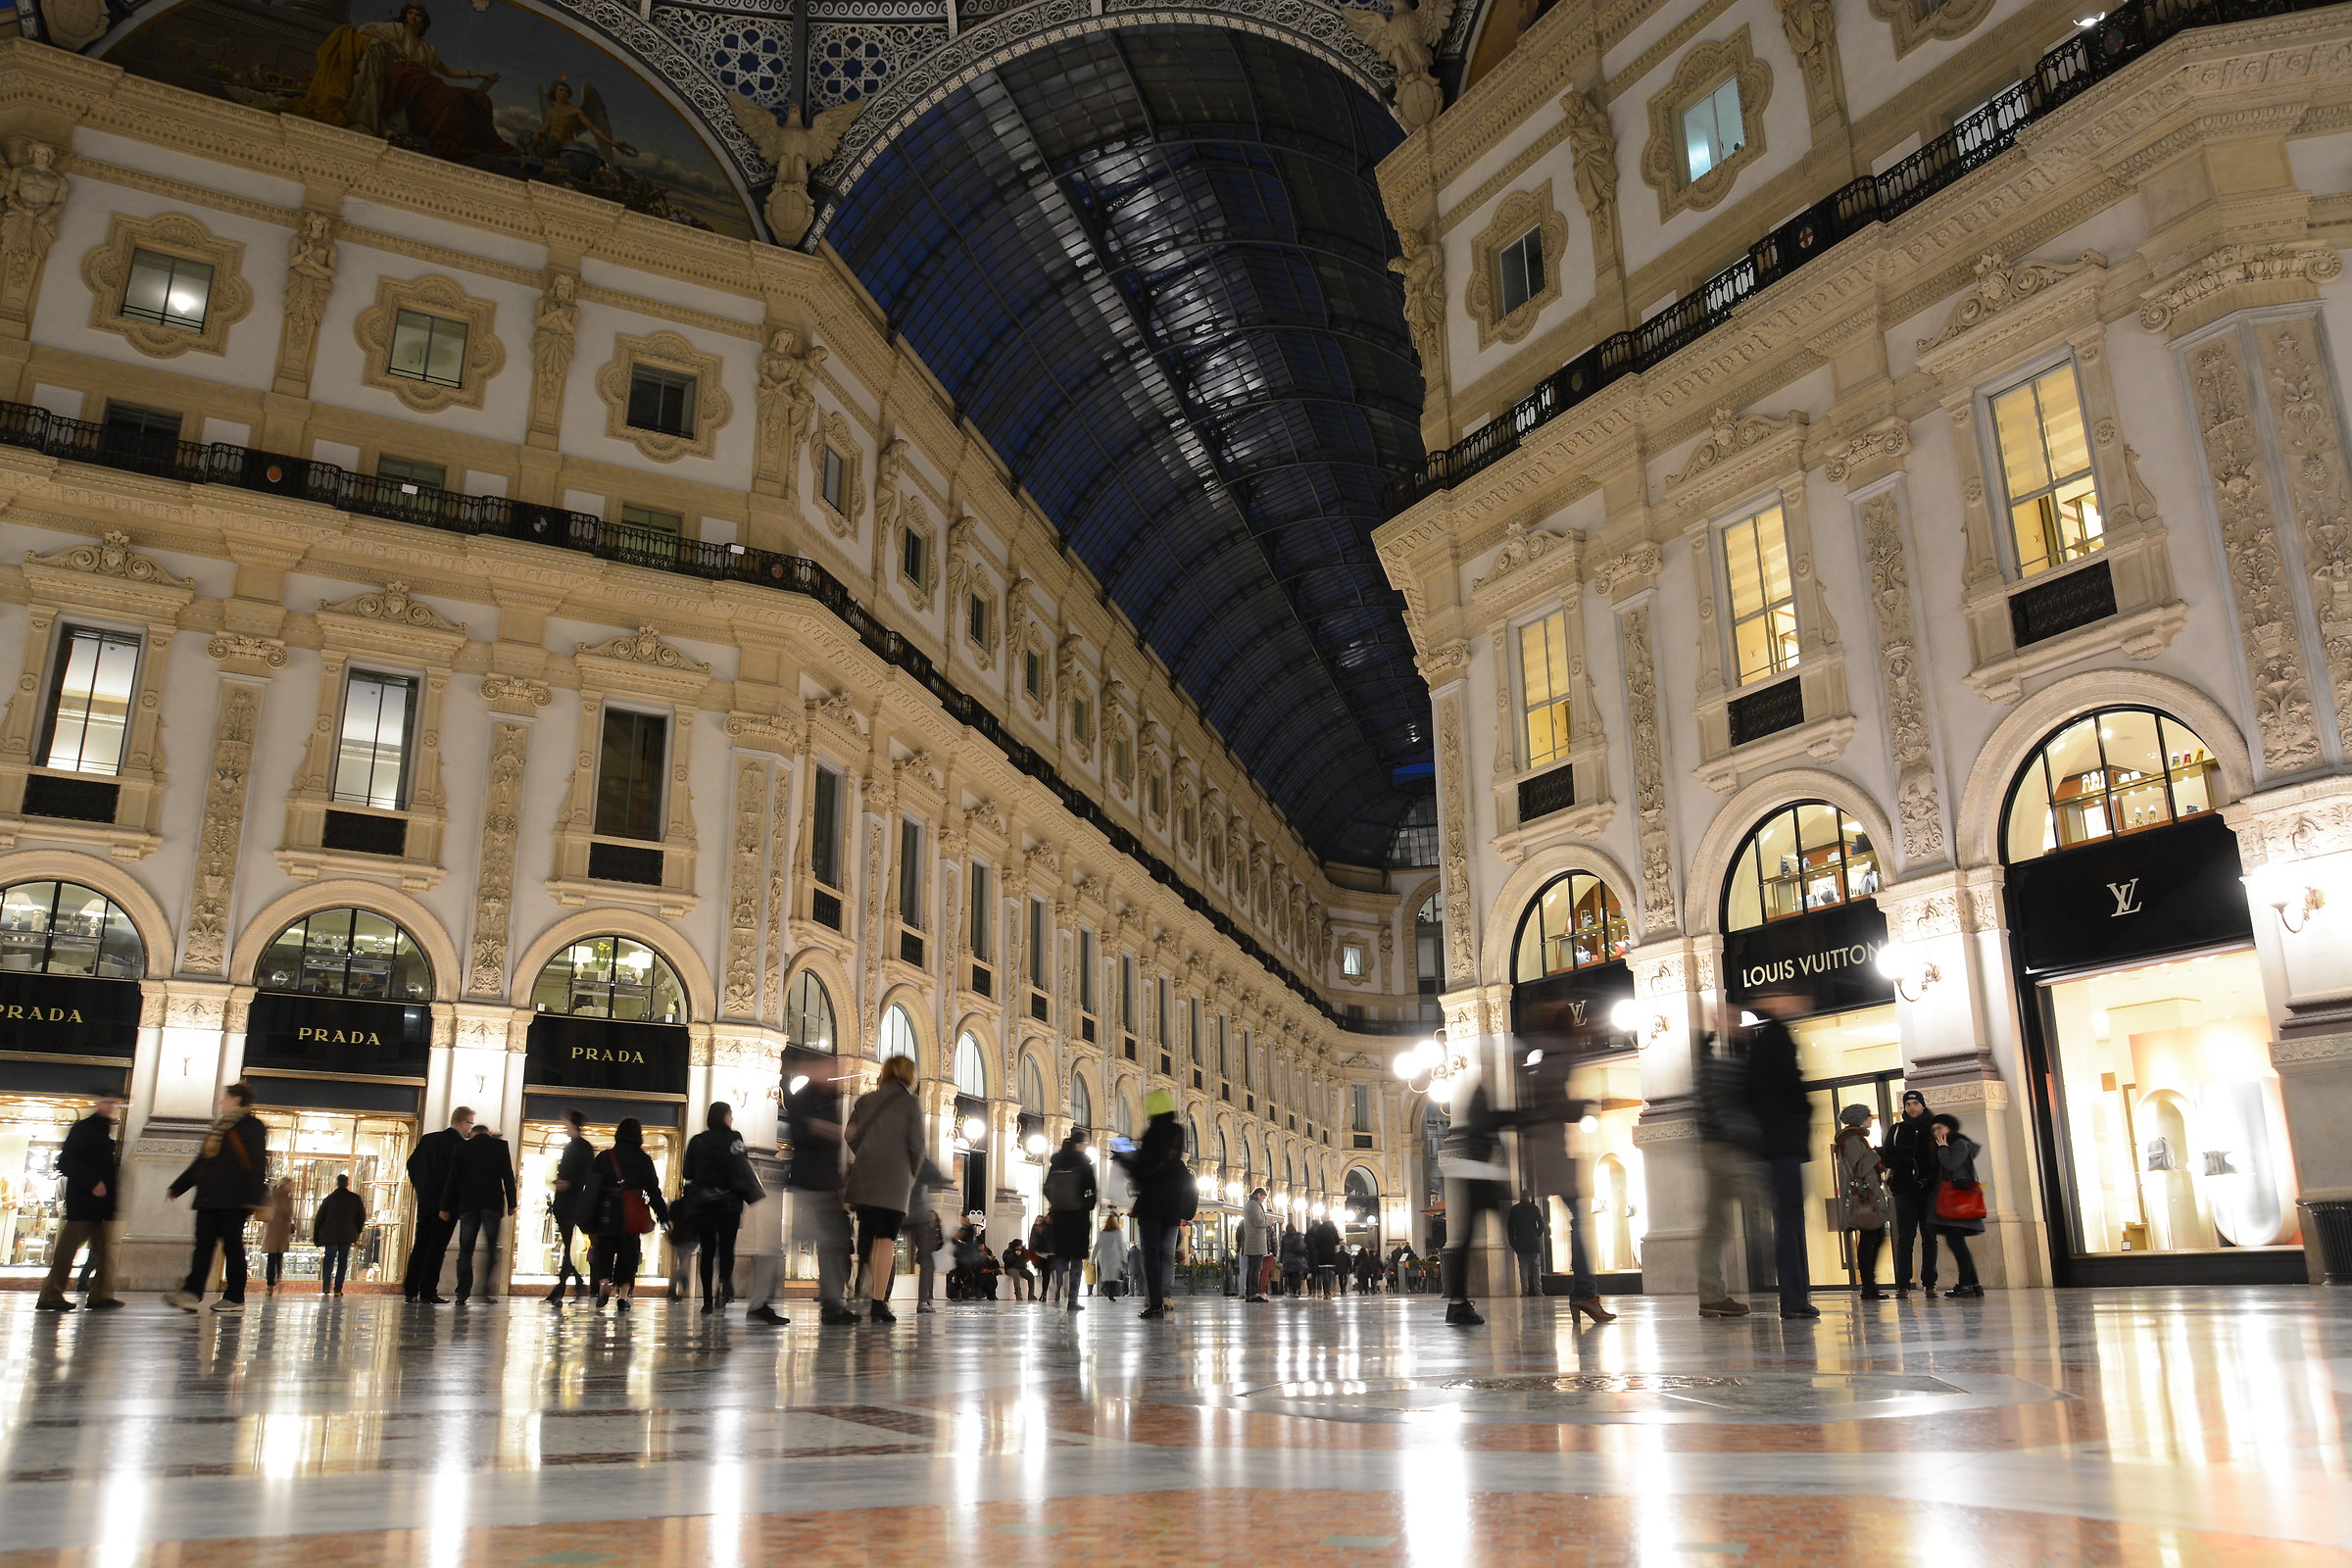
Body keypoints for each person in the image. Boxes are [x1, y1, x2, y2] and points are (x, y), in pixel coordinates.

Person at [163, 1083, 268, 1314]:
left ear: (238, 1100)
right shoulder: (220, 1127)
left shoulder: (253, 1126)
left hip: (235, 1199)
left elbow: (258, 1163)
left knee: (232, 1246)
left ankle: (234, 1296)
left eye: (225, 1098)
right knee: (203, 1246)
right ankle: (191, 1294)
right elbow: (202, 1162)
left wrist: (254, 1198)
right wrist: (178, 1187)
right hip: (208, 1198)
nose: (221, 1103)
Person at [1745, 990, 1818, 1320]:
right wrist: (1803, 1112)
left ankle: (1796, 1296)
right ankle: (1793, 1298)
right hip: (1782, 1143)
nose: (1798, 1002)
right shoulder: (1776, 1041)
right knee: (1789, 1220)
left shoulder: (1768, 1041)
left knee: (1788, 1219)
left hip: (1777, 1143)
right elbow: (1788, 1091)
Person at [843, 1054, 926, 1324]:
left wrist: (866, 1153)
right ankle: (878, 1301)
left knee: (868, 1233)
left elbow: (849, 1134)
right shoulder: (911, 1104)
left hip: (866, 1176)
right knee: (886, 1240)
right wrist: (911, 1171)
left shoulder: (866, 1100)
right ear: (909, 1076)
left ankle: (861, 1285)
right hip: (894, 1180)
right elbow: (917, 1145)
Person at [784, 1048, 858, 1326]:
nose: (835, 1074)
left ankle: (831, 1303)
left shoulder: (830, 1099)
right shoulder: (805, 1098)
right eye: (828, 1068)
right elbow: (804, 1133)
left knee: (832, 1244)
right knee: (824, 1243)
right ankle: (830, 1304)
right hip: (811, 1182)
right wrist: (826, 1130)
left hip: (827, 1183)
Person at [36, 1092, 122, 1312]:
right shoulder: (85, 1129)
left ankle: (100, 1295)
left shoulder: (102, 1131)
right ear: (99, 1103)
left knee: (104, 1253)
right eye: (108, 1102)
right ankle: (50, 1294)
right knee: (68, 1249)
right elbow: (65, 1161)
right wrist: (93, 1182)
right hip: (85, 1203)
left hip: (98, 1205)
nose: (112, 1107)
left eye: (114, 1103)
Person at [1437, 1074, 1510, 1326]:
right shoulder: (1483, 1109)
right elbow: (1502, 1119)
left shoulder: (1477, 1108)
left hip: (1476, 1177)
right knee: (1488, 1233)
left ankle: (1458, 1303)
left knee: (1467, 1241)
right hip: (1481, 1178)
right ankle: (1461, 1302)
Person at [1113, 1089, 1193, 1319]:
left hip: (1152, 1205)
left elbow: (1144, 1169)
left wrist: (1123, 1156)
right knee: (1166, 1254)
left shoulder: (1152, 1134)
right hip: (1172, 1208)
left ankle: (1155, 1302)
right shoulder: (1178, 1132)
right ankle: (1165, 1296)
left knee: (1151, 1253)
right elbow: (1167, 1165)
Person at [681, 1102, 756, 1314]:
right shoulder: (735, 1138)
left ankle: (706, 1301)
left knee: (707, 1251)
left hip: (703, 1205)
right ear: (724, 1116)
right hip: (729, 1204)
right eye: (730, 1114)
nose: (732, 1119)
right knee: (726, 1249)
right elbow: (744, 1165)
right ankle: (723, 1286)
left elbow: (688, 1173)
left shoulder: (697, 1141)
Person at [587, 1117, 668, 1310]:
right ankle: (623, 1296)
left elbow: (591, 1188)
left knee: (604, 1250)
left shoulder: (605, 1157)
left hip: (607, 1212)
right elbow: (653, 1191)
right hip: (632, 1212)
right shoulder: (643, 1159)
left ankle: (604, 1283)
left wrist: (590, 1216)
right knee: (628, 1254)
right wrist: (664, 1217)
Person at [441, 1120, 516, 1303]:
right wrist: (512, 1203)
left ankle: (462, 1293)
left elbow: (452, 1179)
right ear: (489, 1133)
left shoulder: (461, 1148)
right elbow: (508, 1175)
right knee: (491, 1249)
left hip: (468, 1206)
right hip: (492, 1205)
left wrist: (444, 1206)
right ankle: (485, 1291)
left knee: (465, 1252)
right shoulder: (500, 1146)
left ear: (472, 1134)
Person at [404, 1105, 473, 1303]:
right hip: (446, 1205)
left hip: (425, 1202)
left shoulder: (428, 1139)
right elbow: (458, 1178)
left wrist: (421, 1188)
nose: (470, 1129)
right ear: (463, 1123)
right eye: (470, 1124)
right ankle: (427, 1290)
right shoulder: (459, 1145)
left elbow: (411, 1164)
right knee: (437, 1247)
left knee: (421, 1243)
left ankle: (410, 1288)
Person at [1885, 1089, 1941, 1296]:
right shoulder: (1897, 1129)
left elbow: (1941, 1156)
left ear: (1922, 1105)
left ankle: (1929, 1283)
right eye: (1908, 1105)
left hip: (1928, 1189)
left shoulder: (1934, 1127)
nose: (1912, 1108)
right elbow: (1888, 1156)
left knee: (1929, 1236)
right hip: (1904, 1188)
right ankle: (1903, 1284)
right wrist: (1905, 1161)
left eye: (1915, 1104)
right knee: (1905, 1236)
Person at [1835, 1105, 1890, 1299]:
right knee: (1870, 1240)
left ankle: (1869, 1284)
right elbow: (1858, 1168)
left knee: (1876, 1238)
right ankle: (1868, 1285)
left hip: (1868, 1196)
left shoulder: (1855, 1137)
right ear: (1860, 1118)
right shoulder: (1851, 1139)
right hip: (1864, 1198)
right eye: (1868, 1116)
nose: (1871, 1118)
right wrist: (1876, 1153)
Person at [1930, 1113, 1986, 1298]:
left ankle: (1965, 1285)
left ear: (1949, 1128)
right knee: (1957, 1244)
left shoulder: (1958, 1144)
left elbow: (1951, 1164)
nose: (1936, 1132)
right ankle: (1973, 1283)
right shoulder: (1954, 1144)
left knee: (1957, 1244)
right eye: (1934, 1129)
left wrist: (1943, 1149)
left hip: (1957, 1202)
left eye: (1940, 1128)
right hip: (1955, 1202)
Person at [1043, 1131, 1097, 1311]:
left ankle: (1055, 1292)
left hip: (1059, 1215)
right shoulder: (1084, 1164)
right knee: (1076, 1259)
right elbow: (1092, 1190)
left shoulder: (1056, 1163)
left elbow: (1046, 1188)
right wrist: (1087, 1206)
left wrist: (1055, 1204)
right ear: (1079, 1145)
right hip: (1078, 1216)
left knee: (1061, 1255)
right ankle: (1072, 1299)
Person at [547, 1108, 595, 1305]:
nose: (563, 1124)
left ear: (573, 1123)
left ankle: (562, 1286)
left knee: (568, 1244)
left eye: (565, 1121)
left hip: (571, 1201)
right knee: (567, 1244)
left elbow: (586, 1174)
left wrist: (569, 1184)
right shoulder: (576, 1146)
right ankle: (574, 1281)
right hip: (568, 1201)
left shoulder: (580, 1147)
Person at [313, 1173, 367, 1297]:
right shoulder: (354, 1199)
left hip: (330, 1235)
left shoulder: (330, 1199)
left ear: (337, 1183)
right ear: (347, 1183)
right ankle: (338, 1289)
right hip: (347, 1235)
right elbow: (361, 1217)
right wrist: (357, 1231)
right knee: (343, 1262)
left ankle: (326, 1285)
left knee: (329, 1260)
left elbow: (320, 1218)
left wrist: (316, 1237)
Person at [259, 1176, 296, 1293]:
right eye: (290, 1185)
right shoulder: (285, 1199)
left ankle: (271, 1282)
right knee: (278, 1257)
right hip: (280, 1231)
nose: (291, 1187)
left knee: (272, 1257)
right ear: (285, 1185)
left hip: (273, 1230)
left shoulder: (271, 1195)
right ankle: (276, 1280)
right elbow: (288, 1213)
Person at [1506, 1192, 1547, 1298]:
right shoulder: (1534, 1208)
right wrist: (1536, 1234)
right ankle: (1538, 1290)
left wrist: (1512, 1242)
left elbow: (1510, 1227)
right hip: (1533, 1242)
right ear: (1529, 1197)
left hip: (1520, 1241)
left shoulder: (1514, 1209)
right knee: (1536, 1266)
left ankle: (1525, 1291)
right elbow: (1542, 1225)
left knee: (1523, 1266)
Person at [1241, 1187, 1272, 1301]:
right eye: (1263, 1197)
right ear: (1259, 1195)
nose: (1263, 1200)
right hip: (1255, 1242)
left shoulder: (1250, 1204)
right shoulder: (1253, 1205)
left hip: (1253, 1242)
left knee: (1252, 1268)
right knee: (1256, 1269)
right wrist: (1269, 1222)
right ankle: (1253, 1293)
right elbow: (1259, 1222)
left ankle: (1250, 1293)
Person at [1306, 1209, 1342, 1298]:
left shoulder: (1321, 1228)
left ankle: (1327, 1292)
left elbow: (1317, 1241)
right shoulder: (1333, 1227)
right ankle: (1331, 1289)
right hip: (1331, 1253)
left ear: (1325, 1217)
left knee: (1324, 1272)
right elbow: (1337, 1240)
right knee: (1330, 1271)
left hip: (1322, 1253)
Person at [1093, 1211, 1127, 1299]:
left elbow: (1097, 1246)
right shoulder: (1118, 1232)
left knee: (1107, 1275)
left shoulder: (1102, 1233)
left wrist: (1092, 1258)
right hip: (1114, 1256)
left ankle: (1107, 1292)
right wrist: (1124, 1257)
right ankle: (1111, 1294)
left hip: (1104, 1256)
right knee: (1114, 1276)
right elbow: (1121, 1245)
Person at [1279, 1222, 1307, 1297]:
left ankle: (1291, 1290)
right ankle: (1296, 1291)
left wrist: (1280, 1260)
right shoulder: (1298, 1236)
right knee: (1296, 1275)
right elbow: (1303, 1248)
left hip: (1288, 1259)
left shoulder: (1284, 1238)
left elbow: (1282, 1250)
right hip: (1297, 1259)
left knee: (1289, 1276)